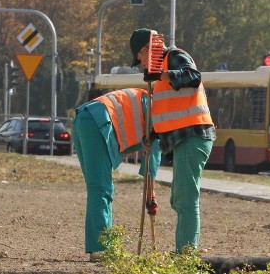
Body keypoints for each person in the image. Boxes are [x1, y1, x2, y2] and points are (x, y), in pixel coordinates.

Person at [129, 28, 216, 253]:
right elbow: (171, 111)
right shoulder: (160, 75)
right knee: (179, 199)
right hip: (183, 138)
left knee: (185, 200)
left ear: (146, 50)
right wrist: (152, 135)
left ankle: (186, 254)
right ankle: (185, 251)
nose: (139, 62)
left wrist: (161, 74)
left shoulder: (174, 56)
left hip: (193, 136)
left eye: (138, 56)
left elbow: (193, 77)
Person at [74, 87, 161, 261]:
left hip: (84, 118)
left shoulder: (143, 98)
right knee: (101, 189)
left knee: (97, 189)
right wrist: (151, 196)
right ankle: (101, 248)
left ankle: (98, 246)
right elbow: (151, 161)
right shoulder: (157, 113)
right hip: (97, 122)